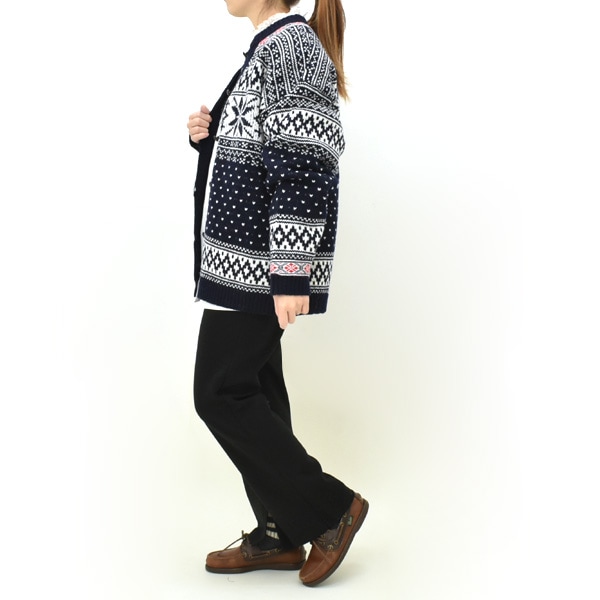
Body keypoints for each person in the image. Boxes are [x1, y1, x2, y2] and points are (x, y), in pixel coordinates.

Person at [186, 0, 368, 587]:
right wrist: (213, 138)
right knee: (256, 390)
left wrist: (291, 272)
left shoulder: (291, 47)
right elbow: (267, 149)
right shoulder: (271, 45)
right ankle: (279, 533)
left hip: (263, 268)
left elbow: (307, 164)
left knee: (220, 392)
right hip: (243, 265)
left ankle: (330, 510)